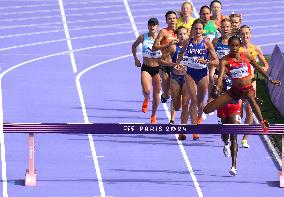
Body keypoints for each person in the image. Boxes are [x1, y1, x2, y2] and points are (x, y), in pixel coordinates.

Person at [203, 36, 281, 133]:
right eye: (232, 46)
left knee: (250, 97)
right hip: (234, 91)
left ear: (240, 46)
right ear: (229, 46)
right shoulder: (225, 60)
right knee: (207, 110)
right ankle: (222, 117)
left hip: (247, 89)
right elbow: (220, 77)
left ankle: (262, 122)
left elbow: (259, 68)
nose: (234, 48)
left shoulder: (246, 56)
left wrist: (270, 80)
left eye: (236, 46)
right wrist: (217, 87)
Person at [178, 19, 219, 140]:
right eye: (195, 28)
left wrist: (206, 61)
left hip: (202, 73)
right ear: (192, 29)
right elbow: (180, 53)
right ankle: (187, 128)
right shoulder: (187, 42)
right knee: (193, 100)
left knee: (201, 103)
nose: (198, 31)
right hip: (190, 72)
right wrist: (179, 63)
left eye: (200, 29)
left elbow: (216, 60)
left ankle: (198, 121)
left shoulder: (207, 43)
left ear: (203, 30)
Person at [211, 18, 241, 175]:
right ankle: (225, 141)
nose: (226, 28)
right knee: (225, 131)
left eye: (228, 26)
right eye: (223, 26)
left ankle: (234, 165)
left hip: (235, 97)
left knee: (234, 130)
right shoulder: (216, 44)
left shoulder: (239, 57)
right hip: (222, 92)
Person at [239, 25, 270, 148]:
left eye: (247, 33)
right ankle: (235, 129)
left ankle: (245, 139)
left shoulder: (256, 49)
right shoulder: (237, 49)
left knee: (250, 110)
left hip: (252, 83)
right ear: (239, 36)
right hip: (238, 83)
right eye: (242, 34)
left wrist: (263, 69)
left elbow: (266, 65)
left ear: (250, 34)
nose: (245, 36)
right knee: (238, 111)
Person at [160, 26, 190, 140]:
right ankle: (173, 117)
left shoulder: (191, 47)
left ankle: (182, 128)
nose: (182, 36)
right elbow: (160, 60)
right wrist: (171, 64)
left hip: (187, 78)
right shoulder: (173, 47)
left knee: (186, 104)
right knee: (176, 104)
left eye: (184, 34)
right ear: (177, 36)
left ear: (188, 35)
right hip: (175, 77)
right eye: (180, 34)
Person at [132, 18, 162, 124]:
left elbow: (169, 50)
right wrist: (136, 59)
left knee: (156, 94)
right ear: (148, 26)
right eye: (150, 25)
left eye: (154, 25)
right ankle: (146, 98)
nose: (152, 27)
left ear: (157, 26)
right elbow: (134, 45)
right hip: (146, 67)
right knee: (147, 90)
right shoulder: (143, 37)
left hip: (158, 68)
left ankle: (153, 115)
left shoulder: (161, 38)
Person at [153, 11, 178, 104]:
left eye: (174, 18)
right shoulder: (163, 32)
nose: (172, 20)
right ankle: (165, 95)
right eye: (170, 19)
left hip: (176, 64)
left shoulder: (180, 31)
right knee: (167, 94)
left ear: (176, 19)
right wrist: (168, 45)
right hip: (164, 64)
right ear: (166, 20)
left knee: (178, 88)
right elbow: (154, 47)